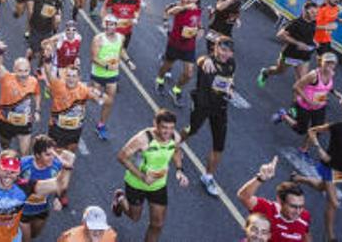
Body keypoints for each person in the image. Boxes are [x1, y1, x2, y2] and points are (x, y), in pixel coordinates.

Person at [111, 109, 189, 242]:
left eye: (171, 128)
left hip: (158, 186)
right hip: (136, 184)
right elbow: (122, 156)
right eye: (164, 127)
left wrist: (179, 170)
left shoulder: (175, 137)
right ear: (155, 124)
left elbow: (176, 151)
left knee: (157, 224)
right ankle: (120, 199)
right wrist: (142, 177)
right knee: (135, 217)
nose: (168, 132)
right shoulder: (143, 139)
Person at [292, 95, 342, 242]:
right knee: (334, 203)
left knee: (321, 187)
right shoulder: (338, 127)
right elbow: (312, 130)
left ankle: (298, 178)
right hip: (329, 166)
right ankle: (330, 237)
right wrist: (319, 149)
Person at [181, 36, 236, 196]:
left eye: (229, 51)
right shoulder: (208, 62)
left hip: (220, 108)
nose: (226, 54)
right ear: (215, 48)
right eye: (223, 50)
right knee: (191, 130)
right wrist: (205, 59)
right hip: (202, 105)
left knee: (219, 145)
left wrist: (230, 89)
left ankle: (208, 176)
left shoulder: (232, 63)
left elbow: (230, 78)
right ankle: (177, 143)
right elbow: (200, 60)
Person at [272, 52, 342, 158]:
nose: (330, 66)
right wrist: (309, 101)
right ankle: (283, 115)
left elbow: (327, 86)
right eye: (327, 63)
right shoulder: (313, 75)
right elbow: (296, 87)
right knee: (301, 130)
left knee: (317, 130)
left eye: (332, 64)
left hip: (319, 106)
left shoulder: (331, 73)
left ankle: (303, 149)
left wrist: (335, 92)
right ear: (321, 62)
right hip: (304, 106)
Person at [237, 156, 311, 242]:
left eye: (301, 206)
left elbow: (305, 235)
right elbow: (243, 196)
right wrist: (260, 178)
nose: (298, 211)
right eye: (293, 206)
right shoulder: (267, 209)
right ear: (280, 201)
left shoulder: (305, 216)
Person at [154, 0, 203, 107]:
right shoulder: (179, 7)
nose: (189, 0)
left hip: (189, 47)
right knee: (167, 66)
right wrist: (185, 7)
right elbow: (170, 12)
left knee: (189, 73)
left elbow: (198, 23)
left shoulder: (198, 10)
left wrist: (201, 30)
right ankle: (159, 80)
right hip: (175, 44)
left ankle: (176, 89)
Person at [89, 15, 133, 140]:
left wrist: (128, 61)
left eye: (113, 24)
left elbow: (121, 51)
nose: (110, 27)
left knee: (109, 101)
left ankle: (101, 125)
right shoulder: (98, 39)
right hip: (98, 74)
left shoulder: (121, 37)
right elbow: (94, 58)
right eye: (108, 24)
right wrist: (107, 66)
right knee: (94, 99)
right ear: (105, 25)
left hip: (112, 76)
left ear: (116, 26)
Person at [257, 1, 318, 87]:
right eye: (312, 12)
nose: (315, 15)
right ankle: (265, 72)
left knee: (303, 79)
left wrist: (314, 42)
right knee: (279, 71)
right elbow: (280, 35)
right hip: (290, 54)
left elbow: (308, 35)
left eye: (316, 13)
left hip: (304, 55)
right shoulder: (295, 23)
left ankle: (297, 99)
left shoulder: (313, 22)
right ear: (305, 11)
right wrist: (297, 43)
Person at [19, 135, 68, 241]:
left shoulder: (56, 166)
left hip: (41, 210)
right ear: (37, 155)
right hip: (22, 211)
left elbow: (61, 183)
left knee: (34, 235)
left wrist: (58, 198)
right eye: (47, 155)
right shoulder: (23, 164)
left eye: (53, 154)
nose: (52, 158)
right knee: (26, 240)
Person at [0, 55, 41, 156]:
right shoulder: (6, 78)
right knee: (5, 146)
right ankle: (3, 151)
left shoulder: (33, 81)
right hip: (5, 120)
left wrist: (37, 110)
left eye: (26, 71)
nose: (23, 74)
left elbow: (37, 94)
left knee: (25, 152)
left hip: (24, 121)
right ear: (14, 70)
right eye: (20, 71)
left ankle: (22, 169)